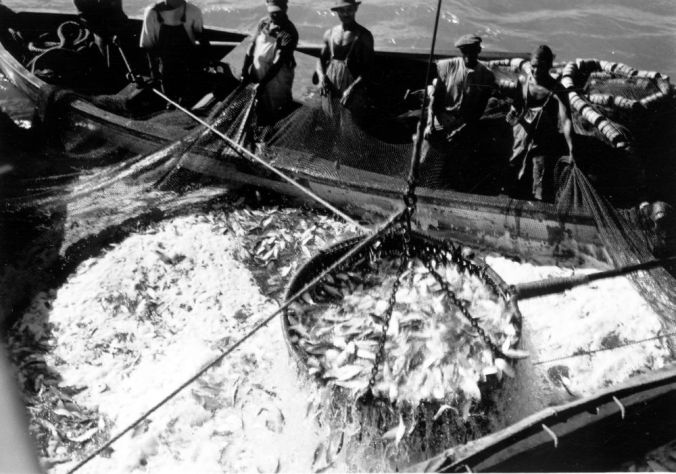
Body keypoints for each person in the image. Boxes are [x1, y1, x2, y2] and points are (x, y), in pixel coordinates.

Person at [420, 34, 495, 189]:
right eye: (465, 51)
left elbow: (479, 110)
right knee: (424, 159)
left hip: (463, 124)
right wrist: (430, 124)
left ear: (479, 50)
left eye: (473, 51)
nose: (469, 55)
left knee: (457, 164)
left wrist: (462, 127)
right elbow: (435, 99)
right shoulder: (447, 66)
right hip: (440, 119)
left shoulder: (486, 76)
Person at [506, 45, 574, 201]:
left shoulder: (557, 90)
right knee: (513, 172)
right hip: (521, 138)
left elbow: (567, 121)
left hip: (543, 142)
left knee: (540, 181)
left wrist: (571, 150)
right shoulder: (523, 82)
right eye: (533, 66)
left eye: (541, 67)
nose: (536, 71)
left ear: (549, 66)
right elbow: (516, 106)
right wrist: (512, 112)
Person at [140, 0, 210, 105]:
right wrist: (154, 76)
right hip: (166, 68)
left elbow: (202, 39)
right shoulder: (152, 13)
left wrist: (208, 61)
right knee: (170, 97)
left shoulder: (193, 11)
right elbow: (149, 47)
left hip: (189, 66)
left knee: (191, 96)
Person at [316, 0, 374, 122]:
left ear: (355, 9)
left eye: (349, 9)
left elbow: (368, 70)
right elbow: (320, 62)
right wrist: (322, 79)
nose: (346, 14)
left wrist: (351, 90)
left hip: (352, 90)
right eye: (342, 10)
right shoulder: (329, 33)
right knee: (329, 123)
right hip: (330, 88)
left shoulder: (364, 36)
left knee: (348, 127)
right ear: (337, 12)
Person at [241, 0, 298, 122]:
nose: (274, 15)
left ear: (285, 9)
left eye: (278, 12)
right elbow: (251, 46)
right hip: (259, 69)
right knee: (258, 105)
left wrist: (263, 83)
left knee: (275, 107)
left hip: (277, 75)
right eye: (272, 12)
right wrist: (245, 70)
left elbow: (278, 62)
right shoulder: (263, 23)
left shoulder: (289, 32)